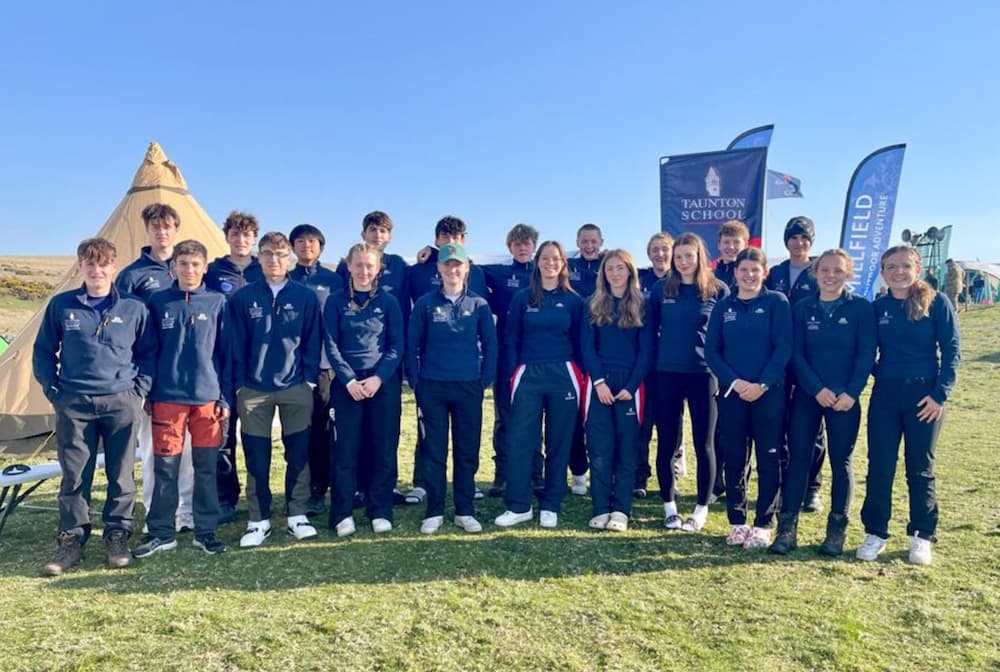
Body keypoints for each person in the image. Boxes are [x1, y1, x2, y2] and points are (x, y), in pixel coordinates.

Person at [33, 238, 152, 575]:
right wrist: (53, 390)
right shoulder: (62, 306)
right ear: (80, 266)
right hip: (74, 402)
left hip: (121, 402)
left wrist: (138, 392)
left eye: (103, 264)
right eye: (90, 264)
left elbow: (148, 353)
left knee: (121, 472)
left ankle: (117, 534)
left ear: (114, 267)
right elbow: (43, 351)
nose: (97, 270)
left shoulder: (133, 307)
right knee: (74, 474)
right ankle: (71, 541)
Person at [857, 245, 960, 566]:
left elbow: (952, 351)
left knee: (920, 467)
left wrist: (939, 395)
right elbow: (865, 353)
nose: (898, 272)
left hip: (925, 399)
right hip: (886, 396)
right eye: (890, 267)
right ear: (883, 272)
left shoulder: (937, 302)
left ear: (917, 268)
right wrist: (883, 373)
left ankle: (922, 535)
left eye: (904, 266)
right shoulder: (878, 307)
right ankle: (875, 532)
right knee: (880, 466)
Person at [769, 249, 876, 556]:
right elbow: (796, 354)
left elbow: (866, 354)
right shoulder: (802, 308)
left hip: (845, 400)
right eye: (825, 270)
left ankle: (836, 531)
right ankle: (787, 529)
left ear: (848, 274)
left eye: (837, 271)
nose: (830, 276)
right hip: (808, 396)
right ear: (815, 274)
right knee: (798, 460)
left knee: (841, 463)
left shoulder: (860, 309)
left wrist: (852, 392)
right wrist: (816, 389)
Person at [134, 240, 231, 558]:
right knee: (165, 468)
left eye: (195, 264)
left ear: (205, 267)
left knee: (205, 468)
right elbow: (147, 351)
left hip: (206, 400)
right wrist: (147, 390)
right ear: (173, 267)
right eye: (183, 263)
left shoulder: (217, 302)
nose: (189, 269)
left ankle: (206, 532)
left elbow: (226, 356)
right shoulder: (158, 301)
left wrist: (224, 397)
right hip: (167, 398)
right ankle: (162, 532)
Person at [229, 231, 322, 547]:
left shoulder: (304, 296)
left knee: (298, 452)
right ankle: (258, 519)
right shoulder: (243, 297)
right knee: (257, 455)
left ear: (290, 258)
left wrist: (309, 379)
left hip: (295, 386)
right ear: (259, 256)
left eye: (280, 254)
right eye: (267, 253)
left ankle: (296, 514)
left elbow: (312, 339)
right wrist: (240, 384)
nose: (274, 260)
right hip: (254, 390)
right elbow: (236, 344)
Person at [116, 203, 196, 533]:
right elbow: (124, 330)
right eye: (155, 226)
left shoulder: (189, 268)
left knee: (188, 453)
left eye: (167, 226)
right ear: (147, 230)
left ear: (176, 229)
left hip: (189, 378)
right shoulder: (132, 276)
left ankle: (186, 512)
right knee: (154, 451)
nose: (162, 232)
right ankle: (155, 512)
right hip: (152, 378)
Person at [406, 243, 497, 534]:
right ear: (439, 268)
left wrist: (484, 380)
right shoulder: (425, 303)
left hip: (468, 386)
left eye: (457, 264)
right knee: (434, 451)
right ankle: (434, 511)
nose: (452, 269)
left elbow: (491, 344)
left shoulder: (479, 304)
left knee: (467, 450)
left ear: (466, 267)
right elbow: (412, 345)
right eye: (447, 264)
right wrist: (416, 382)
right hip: (432, 386)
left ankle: (464, 510)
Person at [705, 247, 791, 550]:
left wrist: (762, 384)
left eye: (755, 270)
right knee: (735, 458)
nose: (749, 275)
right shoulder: (723, 306)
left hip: (768, 394)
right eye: (744, 270)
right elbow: (712, 350)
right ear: (736, 272)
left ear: (764, 272)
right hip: (733, 395)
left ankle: (764, 523)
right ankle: (737, 521)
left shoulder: (776, 303)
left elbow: (784, 347)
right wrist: (736, 382)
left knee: (769, 458)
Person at [495, 241, 585, 529]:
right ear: (537, 262)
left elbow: (582, 344)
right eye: (545, 258)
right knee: (521, 440)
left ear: (563, 264)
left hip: (564, 375)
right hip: (528, 374)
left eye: (555, 258)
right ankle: (519, 505)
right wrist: (512, 375)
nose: (550, 263)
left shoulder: (574, 301)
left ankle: (551, 503)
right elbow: (511, 339)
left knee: (559, 440)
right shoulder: (522, 298)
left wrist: (579, 376)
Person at [648, 233, 728, 533]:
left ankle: (701, 509)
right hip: (666, 374)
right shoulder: (660, 289)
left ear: (699, 257)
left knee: (704, 443)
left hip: (703, 375)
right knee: (667, 442)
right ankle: (669, 507)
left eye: (688, 256)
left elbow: (724, 338)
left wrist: (720, 372)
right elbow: (650, 333)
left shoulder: (717, 290)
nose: (683, 261)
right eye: (678, 256)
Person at [325, 242, 404, 536]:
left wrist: (379, 378)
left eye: (369, 266)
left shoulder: (388, 302)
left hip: (381, 383)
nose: (363, 271)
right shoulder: (335, 301)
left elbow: (397, 345)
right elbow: (331, 345)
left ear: (378, 268)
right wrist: (348, 380)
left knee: (383, 447)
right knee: (346, 449)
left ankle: (380, 509)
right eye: (358, 265)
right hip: (348, 385)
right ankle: (343, 512)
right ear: (348, 266)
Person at [336, 211, 409, 508]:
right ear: (364, 233)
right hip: (352, 367)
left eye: (383, 231)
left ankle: (384, 489)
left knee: (385, 432)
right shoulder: (347, 268)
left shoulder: (401, 266)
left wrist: (431, 252)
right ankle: (357, 488)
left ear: (389, 236)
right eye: (373, 230)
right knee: (355, 434)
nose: (378, 235)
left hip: (388, 358)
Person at [580, 250, 652, 532]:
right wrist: (598, 382)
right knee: (599, 448)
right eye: (609, 268)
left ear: (630, 272)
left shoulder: (643, 304)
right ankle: (600, 507)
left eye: (620, 268)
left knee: (627, 449)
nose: (615, 273)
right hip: (599, 383)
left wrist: (631, 387)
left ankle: (621, 509)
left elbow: (647, 351)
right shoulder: (593, 303)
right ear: (603, 273)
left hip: (630, 384)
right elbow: (587, 346)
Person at [205, 210, 264, 524]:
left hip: (256, 364)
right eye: (235, 234)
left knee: (256, 437)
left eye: (247, 235)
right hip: (221, 362)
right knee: (223, 436)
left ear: (254, 238)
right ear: (227, 236)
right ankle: (226, 498)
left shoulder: (264, 270)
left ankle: (261, 495)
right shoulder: (213, 272)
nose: (241, 240)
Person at [767, 215, 826, 514]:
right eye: (794, 237)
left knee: (812, 427)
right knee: (780, 423)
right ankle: (784, 483)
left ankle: (812, 488)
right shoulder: (775, 272)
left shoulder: (820, 272)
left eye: (805, 238)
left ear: (811, 242)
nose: (799, 243)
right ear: (786, 241)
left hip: (810, 360)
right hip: (779, 361)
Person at [288, 223, 345, 518]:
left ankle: (322, 487)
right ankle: (301, 487)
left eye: (311, 241)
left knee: (325, 429)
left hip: (325, 367)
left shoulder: (333, 280)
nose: (306, 246)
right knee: (300, 431)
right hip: (292, 367)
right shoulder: (286, 279)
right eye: (299, 241)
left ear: (321, 246)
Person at [480, 224, 539, 497]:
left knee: (536, 413)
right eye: (517, 244)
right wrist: (431, 253)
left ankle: (535, 472)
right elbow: (466, 267)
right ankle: (502, 473)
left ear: (534, 245)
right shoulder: (500, 273)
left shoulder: (546, 271)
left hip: (536, 354)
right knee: (505, 414)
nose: (522, 247)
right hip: (506, 355)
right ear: (510, 248)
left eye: (527, 243)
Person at [635, 232, 674, 498]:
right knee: (643, 423)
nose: (660, 254)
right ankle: (640, 476)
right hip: (646, 363)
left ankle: (670, 478)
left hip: (673, 364)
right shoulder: (640, 279)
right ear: (649, 254)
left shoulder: (683, 281)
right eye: (655, 250)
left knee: (671, 425)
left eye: (665, 250)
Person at [566, 224, 605, 495]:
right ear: (577, 242)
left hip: (605, 352)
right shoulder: (567, 266)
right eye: (584, 241)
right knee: (574, 417)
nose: (589, 245)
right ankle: (578, 472)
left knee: (600, 418)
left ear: (601, 241)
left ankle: (607, 472)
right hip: (573, 352)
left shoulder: (612, 265)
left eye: (593, 241)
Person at [712, 219, 750, 291]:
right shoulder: (709, 277)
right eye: (726, 242)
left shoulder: (752, 278)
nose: (731, 247)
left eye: (736, 242)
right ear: (719, 245)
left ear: (745, 245)